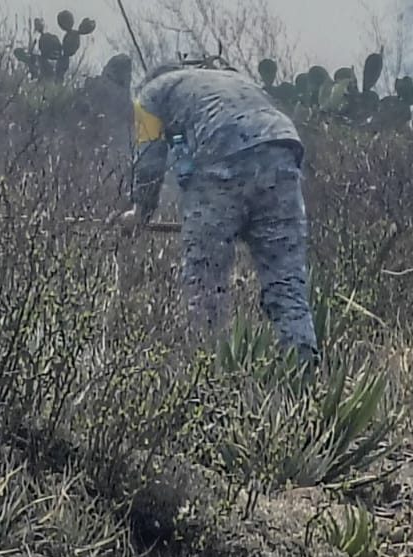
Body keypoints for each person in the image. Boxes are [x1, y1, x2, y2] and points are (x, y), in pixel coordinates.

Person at [121, 63, 317, 360]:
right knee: (286, 281)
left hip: (220, 153)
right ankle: (303, 372)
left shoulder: (148, 95)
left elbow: (149, 160)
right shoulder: (235, 82)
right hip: (282, 153)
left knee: (205, 283)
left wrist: (140, 211)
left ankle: (207, 372)